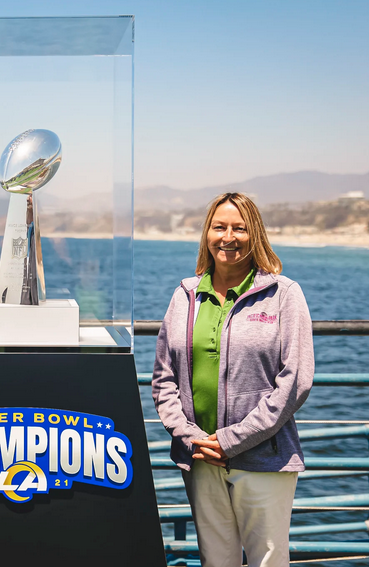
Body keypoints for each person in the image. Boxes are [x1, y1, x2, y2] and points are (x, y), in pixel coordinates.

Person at [152, 192, 314, 567]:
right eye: (219, 226)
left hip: (264, 459)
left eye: (239, 228)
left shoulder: (284, 295)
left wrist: (232, 440)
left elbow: (296, 380)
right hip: (201, 458)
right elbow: (163, 377)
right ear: (206, 233)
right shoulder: (185, 295)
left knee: (268, 561)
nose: (228, 237)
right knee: (216, 561)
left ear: (254, 234)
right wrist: (189, 435)